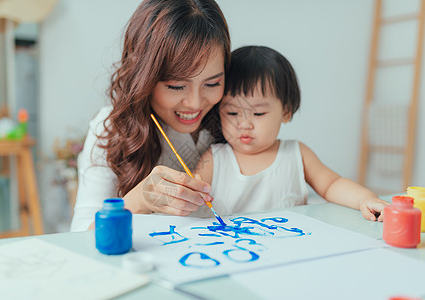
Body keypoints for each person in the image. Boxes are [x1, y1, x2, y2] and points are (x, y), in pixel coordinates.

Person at [70, 0, 230, 231]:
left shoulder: (233, 119)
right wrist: (140, 200)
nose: (195, 103)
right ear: (144, 77)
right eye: (176, 86)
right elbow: (80, 236)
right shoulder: (112, 129)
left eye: (213, 83)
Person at [193, 46, 389, 221]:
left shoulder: (296, 153)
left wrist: (366, 199)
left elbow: (332, 184)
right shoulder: (215, 157)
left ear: (285, 111)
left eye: (258, 113)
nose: (244, 124)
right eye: (232, 113)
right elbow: (192, 190)